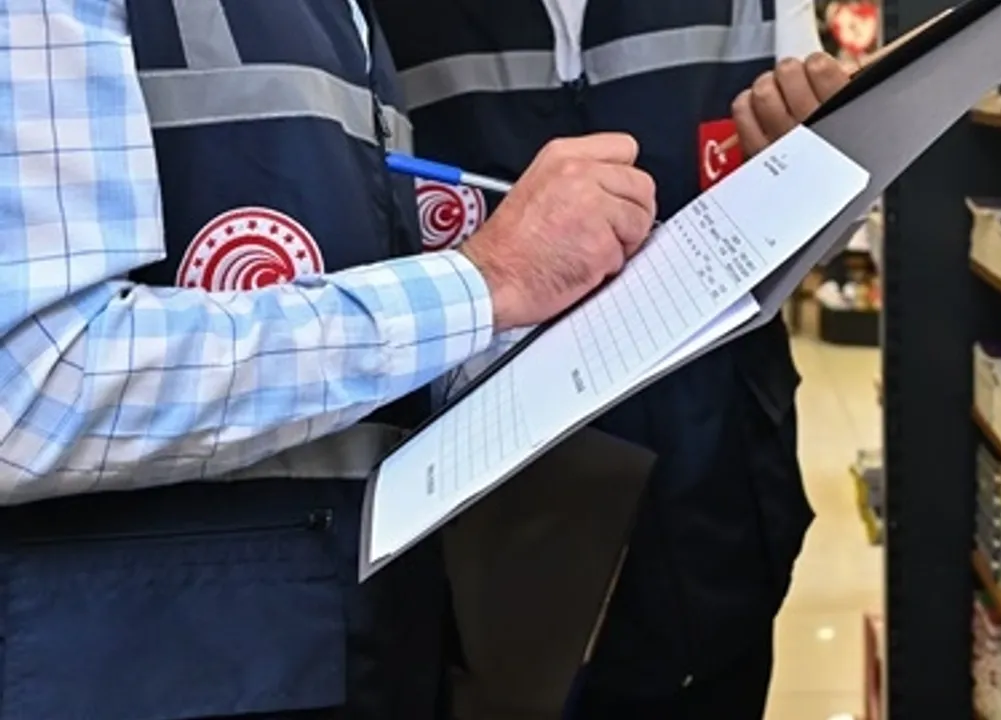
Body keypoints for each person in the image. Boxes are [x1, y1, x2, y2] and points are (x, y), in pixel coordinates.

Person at [0, 1, 655, 717]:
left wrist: (521, 324)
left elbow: (344, 346)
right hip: (147, 661)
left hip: (341, 650)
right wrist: (484, 283)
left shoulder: (347, 20)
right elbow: (31, 390)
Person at [375, 2, 849, 716]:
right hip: (491, 537)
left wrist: (820, 174)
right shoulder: (377, 20)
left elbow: (826, 229)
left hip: (719, 502)